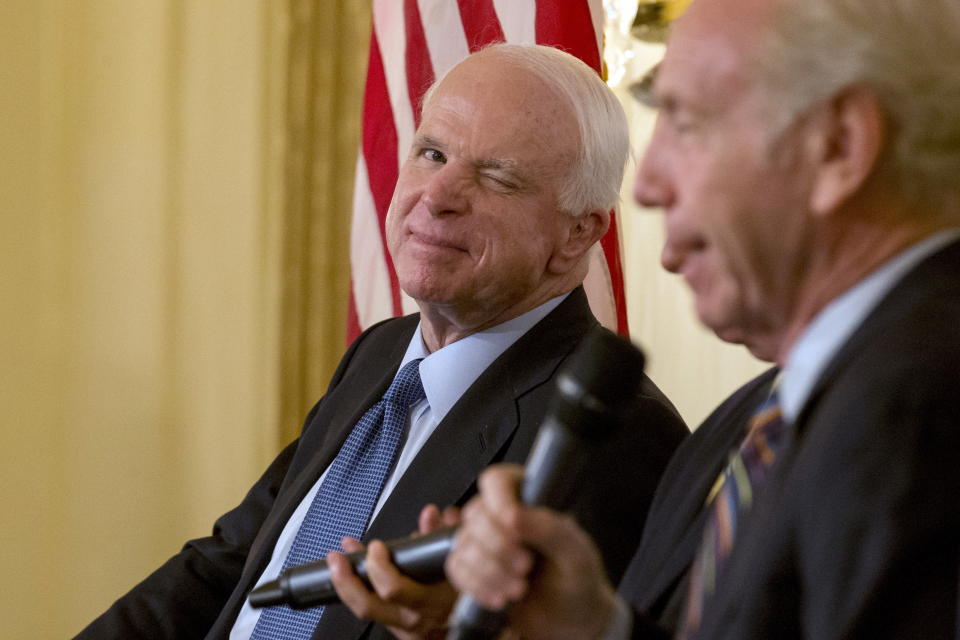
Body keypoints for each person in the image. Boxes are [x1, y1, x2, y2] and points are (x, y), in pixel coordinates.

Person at [75, 43, 688, 640]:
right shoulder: (382, 354)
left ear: (578, 233)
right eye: (431, 153)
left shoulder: (617, 435)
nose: (438, 196)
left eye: (496, 176)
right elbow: (233, 563)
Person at [446, 0, 960, 637]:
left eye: (682, 120)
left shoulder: (917, 411)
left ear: (838, 146)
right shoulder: (745, 426)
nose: (646, 185)